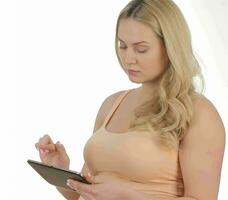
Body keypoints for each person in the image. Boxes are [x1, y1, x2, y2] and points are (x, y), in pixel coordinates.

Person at [34, 0, 226, 199]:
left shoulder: (198, 112)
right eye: (122, 46)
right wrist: (60, 169)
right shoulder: (112, 104)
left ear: (171, 47)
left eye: (141, 49)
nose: (128, 58)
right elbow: (87, 194)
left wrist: (128, 194)